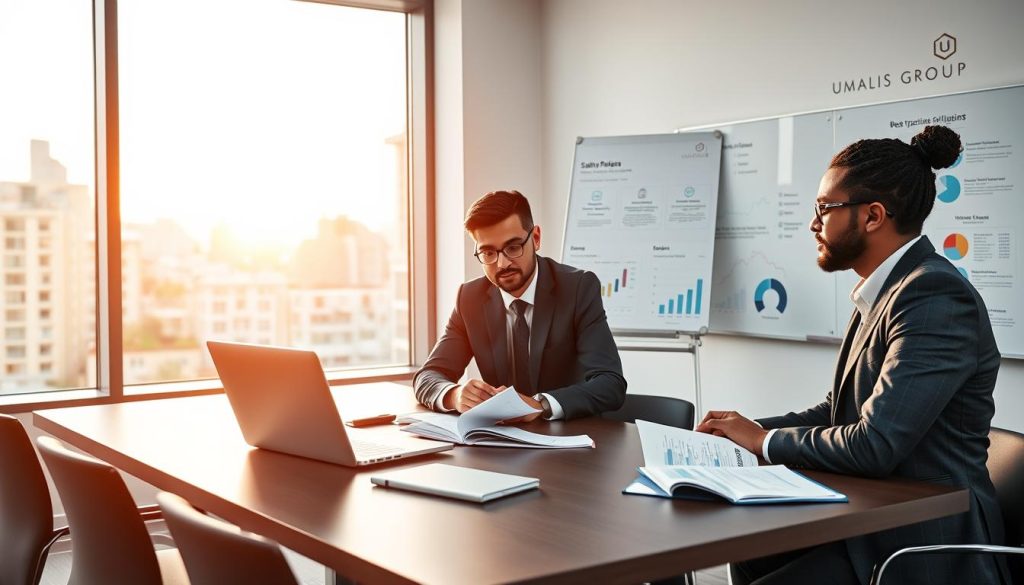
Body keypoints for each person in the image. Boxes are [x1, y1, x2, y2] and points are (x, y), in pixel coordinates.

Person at [696, 126, 1007, 585]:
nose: (813, 223)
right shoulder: (888, 289)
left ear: (873, 216)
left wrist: (760, 443)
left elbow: (874, 444)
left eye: (824, 208)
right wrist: (748, 432)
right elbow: (838, 410)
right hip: (869, 512)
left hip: (919, 538)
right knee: (752, 554)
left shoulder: (933, 295)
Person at [414, 190, 627, 420]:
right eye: (488, 252)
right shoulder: (470, 298)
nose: (502, 263)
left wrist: (540, 404)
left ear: (535, 238)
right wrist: (454, 395)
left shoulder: (577, 289)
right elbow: (427, 377)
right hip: (499, 442)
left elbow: (610, 383)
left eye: (513, 247)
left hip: (571, 440)